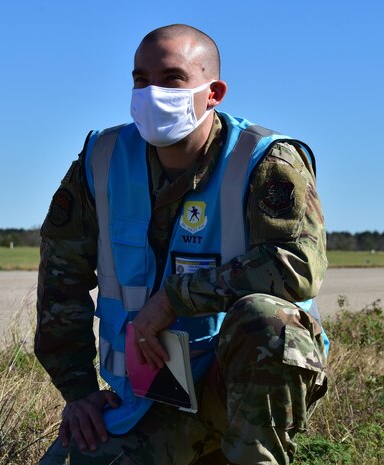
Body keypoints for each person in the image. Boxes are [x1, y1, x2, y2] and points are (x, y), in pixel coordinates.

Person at [35, 24, 328, 465]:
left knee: (270, 321)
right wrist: (78, 393)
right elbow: (61, 278)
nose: (152, 93)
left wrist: (173, 300)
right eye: (140, 79)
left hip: (233, 382)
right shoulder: (102, 159)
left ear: (214, 93)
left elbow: (297, 264)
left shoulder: (265, 161)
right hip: (148, 393)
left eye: (171, 79)